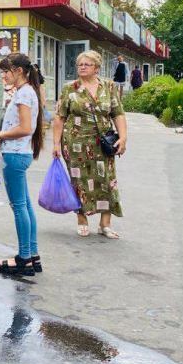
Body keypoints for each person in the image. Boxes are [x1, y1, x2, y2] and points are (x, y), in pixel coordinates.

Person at [52, 50, 128, 239]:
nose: (82, 67)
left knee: (106, 181)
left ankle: (105, 224)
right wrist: (55, 144)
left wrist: (123, 138)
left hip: (103, 142)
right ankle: (82, 219)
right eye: (80, 64)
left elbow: (118, 113)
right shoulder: (70, 88)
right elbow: (59, 117)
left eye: (87, 64)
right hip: (75, 143)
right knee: (79, 182)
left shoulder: (108, 87)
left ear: (97, 68)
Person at [0, 53, 43, 276]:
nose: (3, 75)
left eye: (6, 71)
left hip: (14, 154)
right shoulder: (28, 91)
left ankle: (24, 258)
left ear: (19, 71)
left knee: (19, 206)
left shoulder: (23, 94)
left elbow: (25, 128)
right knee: (25, 205)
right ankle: (32, 254)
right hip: (21, 153)